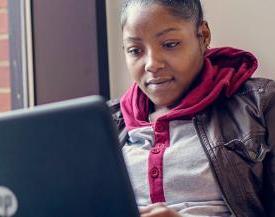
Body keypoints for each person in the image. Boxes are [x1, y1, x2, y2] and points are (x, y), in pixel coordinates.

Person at [108, 0, 275, 216]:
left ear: (203, 36)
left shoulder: (261, 104)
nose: (152, 63)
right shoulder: (105, 123)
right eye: (135, 50)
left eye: (169, 44)